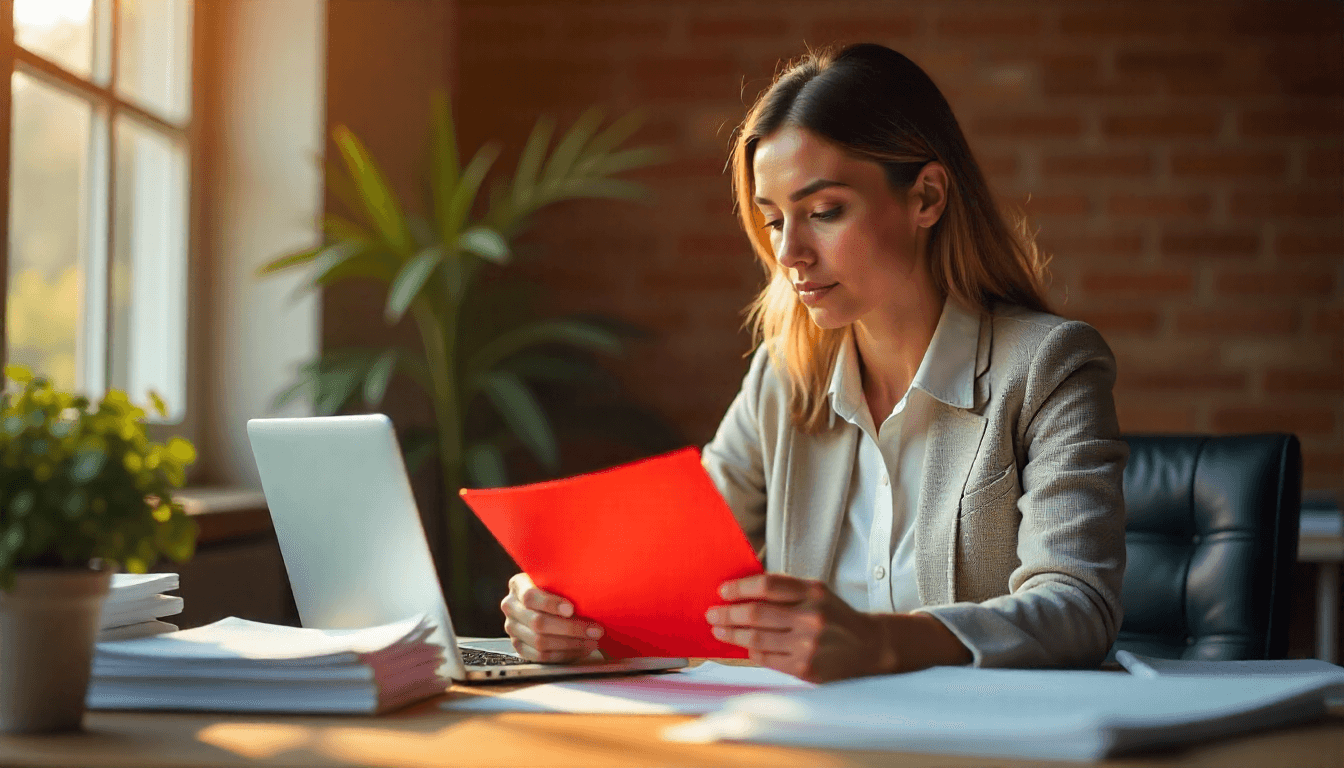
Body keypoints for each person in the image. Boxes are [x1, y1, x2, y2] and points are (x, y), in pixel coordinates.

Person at [500, 43, 1127, 683]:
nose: (790, 252)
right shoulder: (784, 375)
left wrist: (883, 643)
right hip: (810, 735)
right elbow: (670, 562)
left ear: (927, 198)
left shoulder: (1049, 365)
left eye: (824, 212)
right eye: (774, 221)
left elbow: (1079, 607)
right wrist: (567, 615)